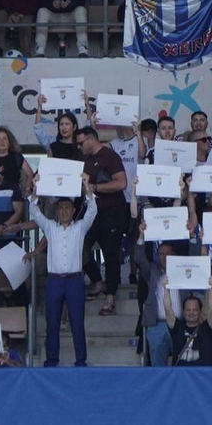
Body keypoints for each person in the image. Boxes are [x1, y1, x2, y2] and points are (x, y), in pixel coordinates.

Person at [26, 173, 99, 367]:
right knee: (52, 323)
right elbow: (34, 210)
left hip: (75, 280)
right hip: (55, 281)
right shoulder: (50, 227)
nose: (65, 211)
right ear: (57, 211)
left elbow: (92, 210)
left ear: (73, 210)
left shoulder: (80, 228)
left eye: (68, 208)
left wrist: (85, 186)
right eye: (61, 208)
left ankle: (81, 361)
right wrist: (35, 189)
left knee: (77, 323)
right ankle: (51, 361)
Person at [77, 125, 129, 317]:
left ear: (91, 140)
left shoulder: (110, 156)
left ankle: (110, 298)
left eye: (81, 143)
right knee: (79, 246)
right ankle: (97, 280)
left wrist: (95, 187)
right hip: (92, 212)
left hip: (111, 212)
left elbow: (121, 183)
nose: (79, 146)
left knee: (111, 252)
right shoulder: (86, 160)